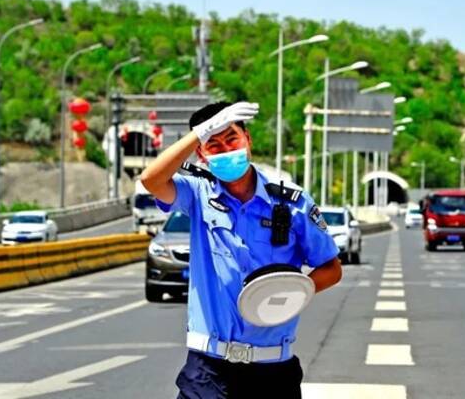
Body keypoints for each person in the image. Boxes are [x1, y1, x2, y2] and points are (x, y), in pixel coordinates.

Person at [140, 101, 342, 399]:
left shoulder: (291, 203)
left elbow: (331, 269)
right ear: (202, 155)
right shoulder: (197, 193)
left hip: (272, 369)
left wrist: (288, 295)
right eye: (214, 145)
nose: (226, 150)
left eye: (232, 138)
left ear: (248, 140)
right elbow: (151, 180)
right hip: (208, 369)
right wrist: (200, 132)